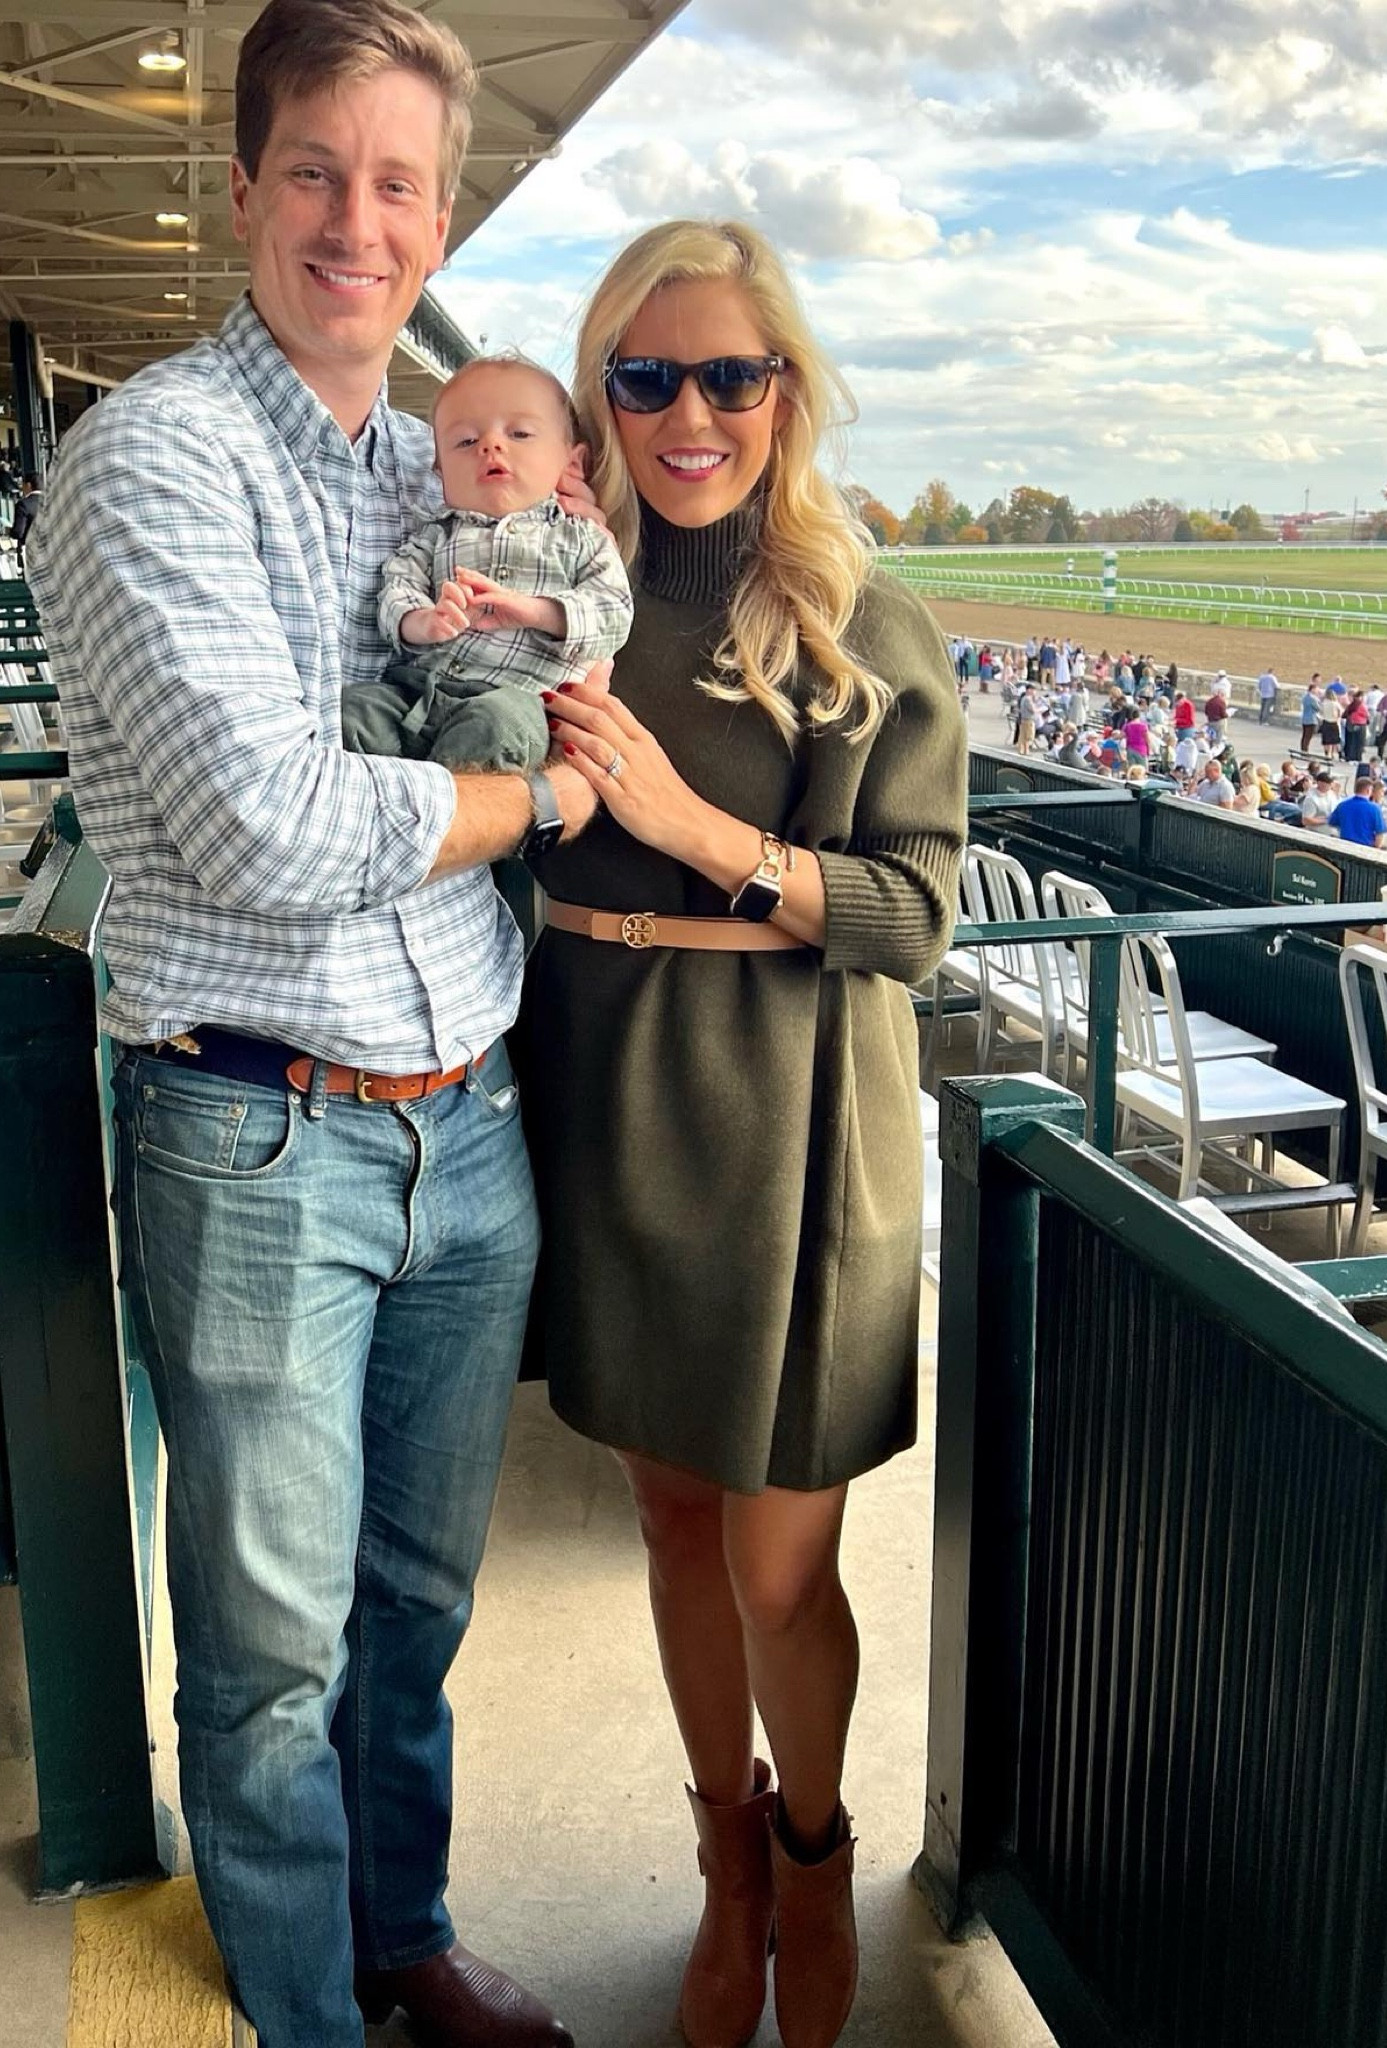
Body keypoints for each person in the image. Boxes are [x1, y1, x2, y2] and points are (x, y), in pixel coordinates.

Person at [29, 4, 593, 2043]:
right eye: (314, 173)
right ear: (244, 186)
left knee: (417, 1608)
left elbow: (561, 638)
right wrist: (535, 801)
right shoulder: (146, 457)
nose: (357, 222)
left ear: (440, 219)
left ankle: (396, 1931)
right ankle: (308, 2014)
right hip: (261, 1132)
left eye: (397, 185)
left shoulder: (426, 479)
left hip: (474, 1117)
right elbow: (271, 826)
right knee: (272, 1645)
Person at [524, 218, 966, 2048]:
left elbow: (916, 917)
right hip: (603, 1090)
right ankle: (718, 1862)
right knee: (668, 1515)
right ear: (601, 392)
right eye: (647, 375)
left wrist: (703, 837)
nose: (689, 412)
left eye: (730, 374)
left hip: (793, 1119)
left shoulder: (867, 619)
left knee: (784, 1558)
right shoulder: (557, 598)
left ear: (786, 389)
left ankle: (807, 1843)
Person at [341, 355, 633, 768]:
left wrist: (535, 612)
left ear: (570, 463)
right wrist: (422, 621)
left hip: (515, 698)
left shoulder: (579, 538)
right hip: (413, 692)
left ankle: (457, 822)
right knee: (347, 712)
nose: (490, 445)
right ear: (441, 477)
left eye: (520, 433)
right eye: (464, 441)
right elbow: (396, 586)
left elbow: (614, 612)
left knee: (499, 730)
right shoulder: (435, 534)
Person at [1331, 775, 1387, 847]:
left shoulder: (1343, 805)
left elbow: (1333, 822)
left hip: (1344, 845)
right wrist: (1377, 848)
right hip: (1365, 847)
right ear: (1368, 790)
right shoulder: (1375, 809)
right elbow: (1380, 833)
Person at [9, 471, 41, 567]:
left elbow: (18, 532)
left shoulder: (23, 504)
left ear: (28, 485)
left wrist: (10, 531)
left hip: (30, 553)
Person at [1298, 678, 1321, 754]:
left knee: (1304, 735)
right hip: (1311, 719)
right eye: (1316, 689)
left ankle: (1303, 749)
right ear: (1312, 689)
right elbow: (1318, 708)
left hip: (1304, 718)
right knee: (1308, 736)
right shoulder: (1312, 698)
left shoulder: (1305, 697)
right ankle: (1305, 750)